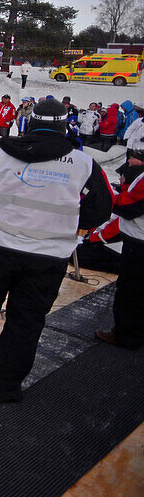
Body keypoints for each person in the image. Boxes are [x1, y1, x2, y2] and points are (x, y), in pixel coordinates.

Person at [0, 99, 112, 402]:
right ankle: (4, 386)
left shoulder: (1, 152)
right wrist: (65, 221)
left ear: (31, 121)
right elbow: (102, 208)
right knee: (26, 320)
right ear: (63, 124)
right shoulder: (84, 164)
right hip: (49, 256)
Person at [94, 147, 143, 349]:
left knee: (131, 290)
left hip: (138, 242)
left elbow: (128, 207)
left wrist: (106, 196)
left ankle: (126, 335)